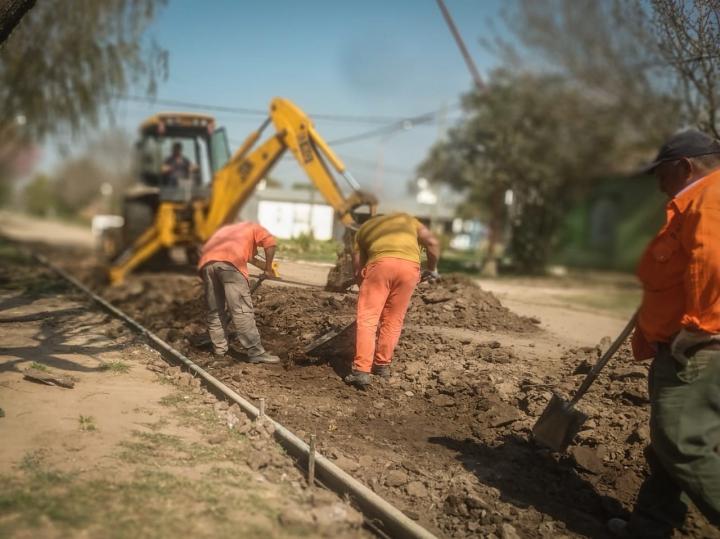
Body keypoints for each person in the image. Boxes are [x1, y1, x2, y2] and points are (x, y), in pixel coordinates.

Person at [608, 130, 720, 538]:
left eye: (662, 173)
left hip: (699, 348)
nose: (658, 182)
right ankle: (650, 529)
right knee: (669, 447)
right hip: (685, 344)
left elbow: (711, 262)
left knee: (681, 445)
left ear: (685, 166)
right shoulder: (698, 201)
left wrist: (698, 330)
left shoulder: (709, 196)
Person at [344, 212, 440, 388]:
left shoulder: (364, 229)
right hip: (409, 270)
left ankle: (361, 371)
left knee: (368, 319)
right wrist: (432, 269)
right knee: (394, 320)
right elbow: (432, 242)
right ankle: (381, 366)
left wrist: (364, 289)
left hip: (380, 267)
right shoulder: (409, 220)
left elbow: (358, 269)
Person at [198, 221, 280, 364]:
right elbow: (270, 243)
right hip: (230, 265)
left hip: (207, 264)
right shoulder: (253, 226)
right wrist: (268, 268)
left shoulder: (227, 230)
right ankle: (256, 352)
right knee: (241, 310)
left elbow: (247, 257)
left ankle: (219, 350)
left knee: (215, 311)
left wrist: (267, 268)